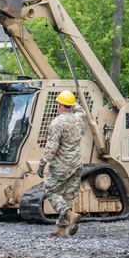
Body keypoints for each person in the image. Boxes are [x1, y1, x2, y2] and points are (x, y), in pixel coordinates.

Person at [36, 90, 86, 238]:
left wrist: (42, 163)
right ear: (71, 105)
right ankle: (62, 228)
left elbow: (52, 147)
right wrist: (73, 102)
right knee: (67, 195)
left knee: (50, 191)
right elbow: (81, 110)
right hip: (77, 164)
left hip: (61, 165)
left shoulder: (57, 123)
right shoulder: (79, 119)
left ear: (59, 105)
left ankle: (70, 215)